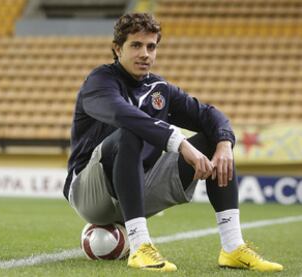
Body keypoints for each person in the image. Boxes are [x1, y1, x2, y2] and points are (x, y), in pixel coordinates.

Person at [63, 12, 283, 272]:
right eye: (135, 45)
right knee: (130, 131)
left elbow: (210, 115)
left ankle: (233, 247)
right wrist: (180, 142)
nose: (145, 53)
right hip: (91, 192)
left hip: (140, 188)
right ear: (117, 49)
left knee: (214, 140)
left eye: (151, 46)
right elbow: (122, 114)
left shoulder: (159, 88)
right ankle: (140, 246)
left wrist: (224, 144)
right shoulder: (99, 82)